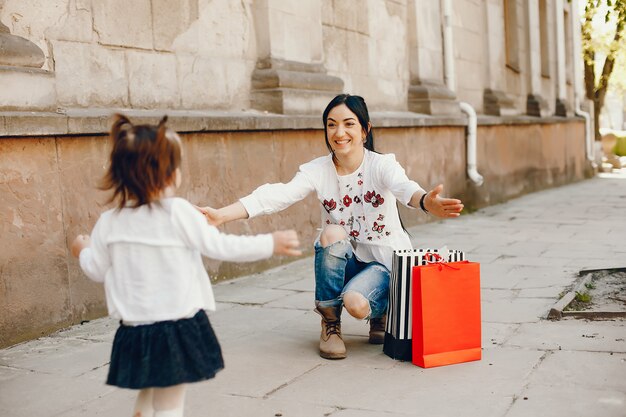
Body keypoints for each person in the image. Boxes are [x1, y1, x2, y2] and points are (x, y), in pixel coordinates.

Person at [197, 94, 463, 360]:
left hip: (383, 263)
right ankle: (330, 325)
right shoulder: (319, 170)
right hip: (347, 260)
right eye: (332, 124)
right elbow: (277, 195)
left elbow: (405, 188)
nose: (339, 132)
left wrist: (427, 201)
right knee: (331, 234)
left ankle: (379, 312)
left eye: (349, 124)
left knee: (356, 304)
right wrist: (221, 215)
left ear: (364, 130)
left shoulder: (382, 165)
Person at [70, 114, 301, 417]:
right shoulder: (177, 212)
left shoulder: (109, 222)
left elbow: (96, 269)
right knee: (170, 406)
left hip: (134, 331)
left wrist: (82, 250)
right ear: (166, 175)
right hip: (175, 328)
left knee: (150, 391)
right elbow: (222, 246)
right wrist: (270, 243)